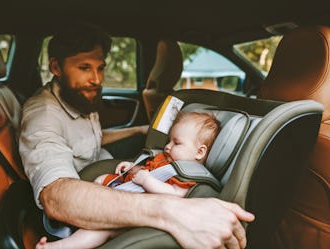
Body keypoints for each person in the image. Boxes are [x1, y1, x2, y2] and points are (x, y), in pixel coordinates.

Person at [19, 23, 255, 249]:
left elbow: (89, 140)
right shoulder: (43, 117)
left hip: (104, 177)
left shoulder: (77, 97)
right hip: (80, 208)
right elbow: (56, 197)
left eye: (100, 68)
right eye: (84, 68)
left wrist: (140, 130)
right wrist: (173, 211)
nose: (97, 79)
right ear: (56, 67)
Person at [36, 111, 222, 249]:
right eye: (169, 141)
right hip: (132, 193)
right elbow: (147, 169)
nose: (167, 146)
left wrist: (146, 180)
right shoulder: (167, 160)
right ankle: (80, 217)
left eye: (176, 143)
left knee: (101, 229)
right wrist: (132, 168)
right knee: (101, 180)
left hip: (143, 215)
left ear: (200, 152)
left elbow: (174, 195)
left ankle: (60, 247)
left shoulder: (187, 177)